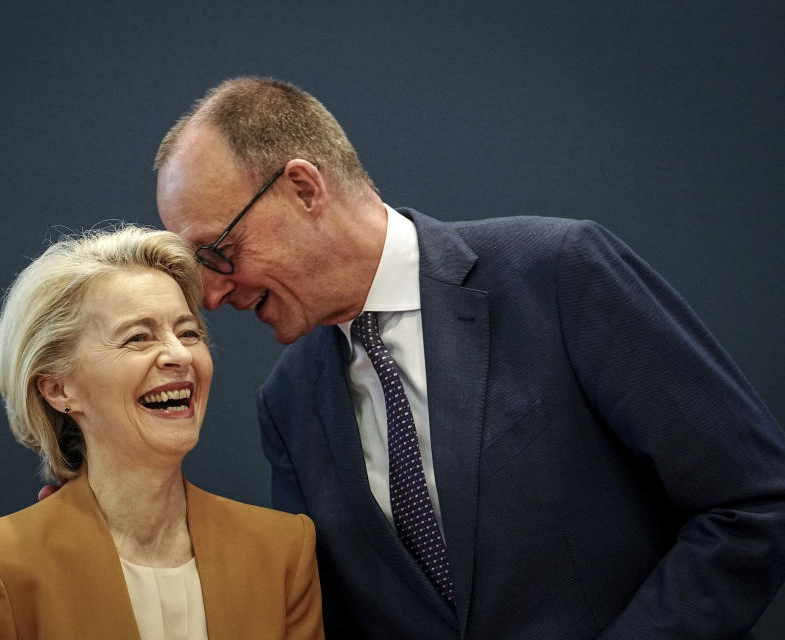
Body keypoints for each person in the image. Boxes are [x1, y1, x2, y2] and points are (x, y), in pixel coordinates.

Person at [154, 77, 785, 639]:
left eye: (218, 252)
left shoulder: (558, 273)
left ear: (302, 187)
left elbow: (753, 503)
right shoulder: (288, 402)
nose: (212, 293)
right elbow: (319, 615)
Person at [0, 225, 324, 640]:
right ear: (59, 389)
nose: (179, 355)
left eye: (188, 333)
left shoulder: (282, 551)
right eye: (138, 337)